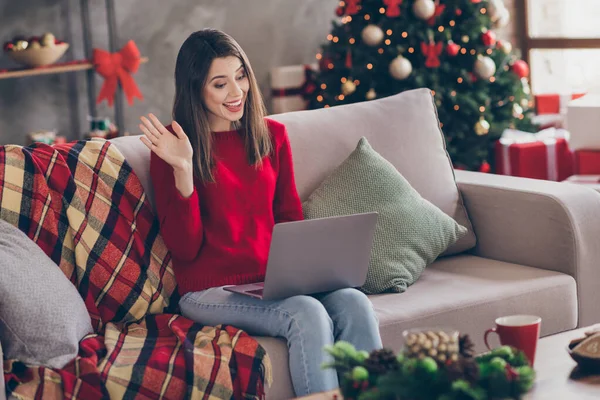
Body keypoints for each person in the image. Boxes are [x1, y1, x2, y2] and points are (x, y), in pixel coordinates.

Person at [139, 29, 382, 396]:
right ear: (195, 89)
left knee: (354, 301)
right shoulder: (173, 149)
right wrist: (184, 171)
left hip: (270, 283)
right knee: (306, 313)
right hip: (208, 290)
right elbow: (184, 249)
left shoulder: (272, 136)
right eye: (220, 84)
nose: (236, 93)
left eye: (240, 76)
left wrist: (306, 273)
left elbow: (289, 219)